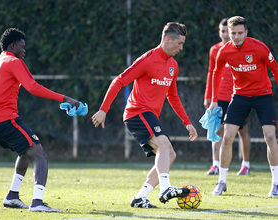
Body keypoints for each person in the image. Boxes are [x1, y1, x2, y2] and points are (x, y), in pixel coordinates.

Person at [92, 22, 198, 208]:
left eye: (183, 44)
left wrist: (187, 122)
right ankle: (165, 188)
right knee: (164, 144)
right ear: (167, 39)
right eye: (179, 43)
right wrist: (103, 109)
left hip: (149, 115)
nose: (182, 48)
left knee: (169, 154)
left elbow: (172, 96)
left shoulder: (173, 65)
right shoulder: (148, 59)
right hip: (137, 112)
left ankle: (140, 197)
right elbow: (119, 81)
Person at [0, 28, 83, 212]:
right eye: (22, 46)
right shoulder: (13, 61)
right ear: (12, 46)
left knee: (25, 152)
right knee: (40, 156)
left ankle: (12, 196)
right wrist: (65, 98)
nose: (24, 50)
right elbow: (33, 87)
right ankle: (37, 202)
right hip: (6, 120)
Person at [209, 16, 278, 197]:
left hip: (263, 95)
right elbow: (216, 73)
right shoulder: (224, 51)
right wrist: (214, 99)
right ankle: (222, 182)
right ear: (228, 33)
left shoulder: (259, 47)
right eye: (233, 33)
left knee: (270, 136)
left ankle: (276, 183)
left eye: (240, 33)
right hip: (240, 96)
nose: (236, 37)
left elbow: (275, 69)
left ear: (246, 32)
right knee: (227, 136)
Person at [204, 18, 251, 176]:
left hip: (238, 96)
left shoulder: (241, 49)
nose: (225, 34)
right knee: (218, 129)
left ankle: (246, 164)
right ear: (220, 33)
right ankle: (215, 164)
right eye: (223, 31)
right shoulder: (214, 50)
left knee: (242, 130)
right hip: (220, 96)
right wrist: (209, 96)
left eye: (227, 31)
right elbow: (211, 73)